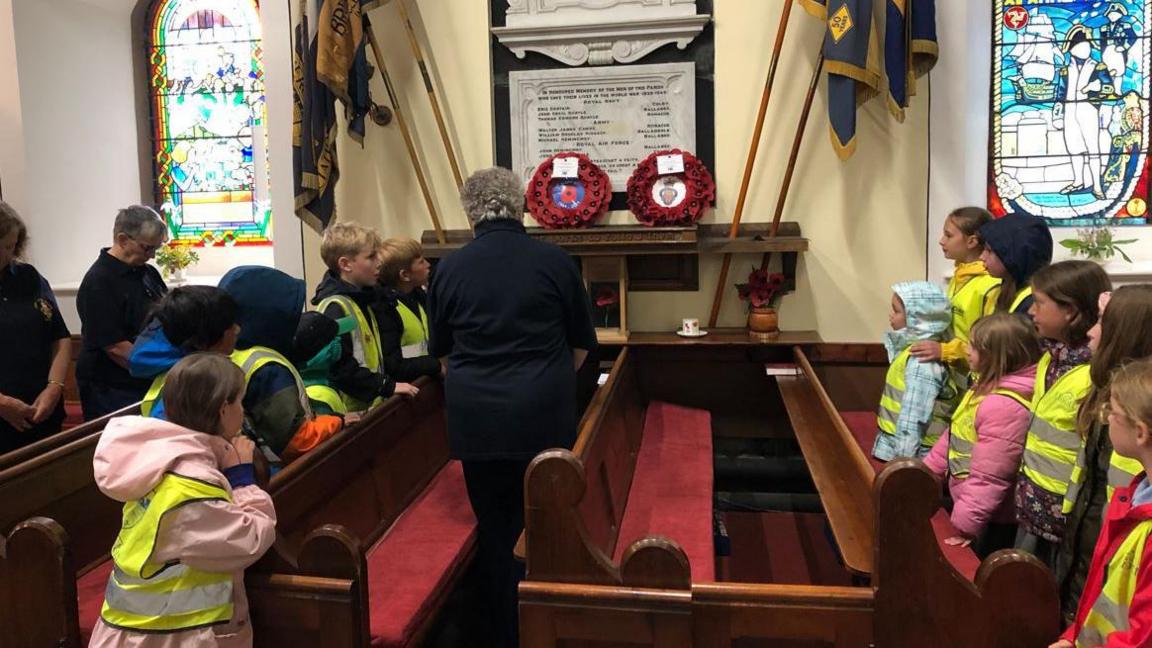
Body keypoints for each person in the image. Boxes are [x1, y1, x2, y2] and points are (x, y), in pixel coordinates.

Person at [428, 167, 597, 648]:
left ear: (469, 212)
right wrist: (546, 381)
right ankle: (553, 627)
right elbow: (582, 346)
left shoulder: (448, 269)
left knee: (496, 528)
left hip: (476, 419)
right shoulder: (554, 261)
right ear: (522, 205)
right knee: (548, 521)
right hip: (543, 412)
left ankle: (503, 631)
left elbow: (442, 353)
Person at [88, 353, 276, 647]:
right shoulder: (191, 484)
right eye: (240, 401)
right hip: (173, 634)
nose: (243, 410)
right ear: (223, 409)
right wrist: (243, 482)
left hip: (141, 630)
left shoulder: (158, 458)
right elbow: (248, 540)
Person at [1056, 285, 1152, 623]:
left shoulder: (1134, 419)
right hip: (1087, 551)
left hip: (1117, 566)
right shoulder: (1108, 400)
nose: (1091, 331)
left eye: (1101, 322)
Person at [1049, 358, 1152, 648]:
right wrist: (1073, 637)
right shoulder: (1135, 496)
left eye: (1113, 411)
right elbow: (1103, 596)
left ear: (1140, 432)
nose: (1106, 419)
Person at [1015, 260, 1111, 567]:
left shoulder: (1095, 375)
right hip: (1033, 502)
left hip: (1066, 516)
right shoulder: (1050, 357)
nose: (1031, 311)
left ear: (1069, 311)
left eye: (1039, 303)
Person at [923, 313, 1041, 558]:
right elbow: (955, 433)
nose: (966, 350)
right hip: (971, 504)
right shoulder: (983, 388)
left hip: (991, 518)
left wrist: (965, 526)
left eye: (974, 347)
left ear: (998, 356)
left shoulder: (1004, 405)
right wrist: (927, 471)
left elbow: (991, 476)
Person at [219, 266, 343, 465]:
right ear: (270, 316)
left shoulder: (233, 352)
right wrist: (339, 421)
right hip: (280, 472)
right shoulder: (268, 367)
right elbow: (296, 440)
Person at [311, 223, 418, 411]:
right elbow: (342, 369)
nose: (379, 262)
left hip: (372, 407)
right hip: (352, 412)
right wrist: (386, 386)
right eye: (371, 257)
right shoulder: (336, 307)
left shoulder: (365, 298)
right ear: (345, 264)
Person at [76, 205, 168, 420]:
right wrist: (161, 367)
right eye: (147, 248)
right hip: (112, 387)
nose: (152, 256)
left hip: (145, 375)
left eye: (157, 249)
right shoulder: (99, 282)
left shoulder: (147, 273)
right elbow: (115, 346)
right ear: (123, 239)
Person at [0, 201, 71, 454]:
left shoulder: (28, 277)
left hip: (42, 409)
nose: (9, 255)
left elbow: (60, 337)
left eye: (12, 246)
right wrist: (3, 404)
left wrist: (54, 388)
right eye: (3, 247)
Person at [873, 281, 961, 461]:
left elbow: (913, 418)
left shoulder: (922, 364)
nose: (891, 315)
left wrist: (903, 463)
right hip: (894, 448)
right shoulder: (911, 352)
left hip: (915, 455)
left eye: (897, 311)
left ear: (918, 319)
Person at [910, 207, 1000, 374]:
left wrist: (946, 351)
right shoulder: (960, 276)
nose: (941, 241)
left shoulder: (990, 284)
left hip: (979, 375)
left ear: (971, 242)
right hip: (958, 373)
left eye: (949, 235)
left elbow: (992, 345)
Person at [129, 286, 241, 419]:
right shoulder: (193, 390)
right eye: (229, 325)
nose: (237, 329)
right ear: (202, 340)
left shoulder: (182, 366)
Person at [373, 238, 441, 382]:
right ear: (405, 275)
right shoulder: (386, 308)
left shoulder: (420, 297)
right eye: (421, 261)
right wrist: (435, 366)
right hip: (408, 386)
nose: (428, 265)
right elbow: (393, 366)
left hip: (427, 379)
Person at [979, 212, 1053, 317]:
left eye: (989, 251)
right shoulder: (1003, 290)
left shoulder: (1031, 303)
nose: (982, 257)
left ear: (1015, 255)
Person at [291, 311, 358, 417]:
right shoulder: (318, 400)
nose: (339, 339)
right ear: (322, 353)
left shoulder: (312, 383)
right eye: (333, 338)